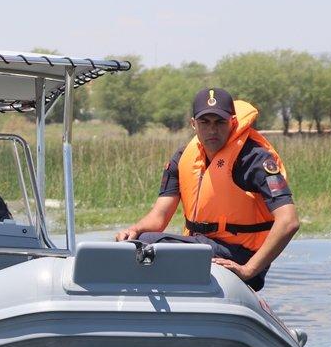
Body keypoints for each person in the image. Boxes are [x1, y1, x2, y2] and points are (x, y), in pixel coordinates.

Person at [115, 87, 300, 291]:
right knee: (136, 241)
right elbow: (159, 216)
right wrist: (135, 229)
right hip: (203, 247)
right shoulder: (183, 157)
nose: (212, 130)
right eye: (205, 122)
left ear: (233, 122)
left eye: (220, 122)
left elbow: (288, 221)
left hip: (241, 256)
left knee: (148, 244)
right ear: (193, 124)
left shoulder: (255, 159)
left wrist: (249, 269)